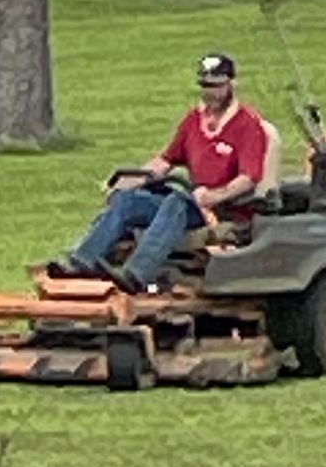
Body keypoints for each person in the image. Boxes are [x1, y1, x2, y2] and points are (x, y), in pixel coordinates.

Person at [49, 53, 270, 290]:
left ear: (231, 85)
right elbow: (166, 161)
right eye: (206, 86)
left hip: (221, 210)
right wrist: (128, 182)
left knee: (176, 201)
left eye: (217, 86)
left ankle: (136, 273)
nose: (211, 93)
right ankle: (81, 262)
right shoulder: (194, 121)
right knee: (128, 201)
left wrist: (213, 196)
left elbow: (249, 178)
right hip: (191, 203)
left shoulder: (248, 125)